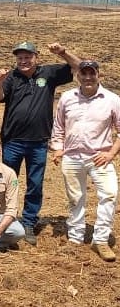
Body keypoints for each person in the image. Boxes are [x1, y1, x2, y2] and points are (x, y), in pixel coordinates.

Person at [0, 41, 81, 245]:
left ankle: (29, 222)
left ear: (36, 57)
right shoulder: (11, 77)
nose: (23, 61)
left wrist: (63, 52)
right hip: (12, 140)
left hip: (38, 142)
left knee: (34, 184)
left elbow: (79, 66)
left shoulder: (48, 73)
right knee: (8, 182)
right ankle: (7, 218)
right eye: (20, 58)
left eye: (27, 57)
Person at [51, 60, 120, 262]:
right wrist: (57, 149)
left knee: (109, 194)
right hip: (72, 157)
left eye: (92, 73)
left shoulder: (112, 99)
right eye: (84, 74)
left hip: (100, 157)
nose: (88, 77)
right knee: (75, 198)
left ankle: (100, 240)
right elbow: (59, 127)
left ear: (99, 75)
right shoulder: (67, 98)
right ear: (78, 76)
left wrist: (111, 154)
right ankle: (75, 237)